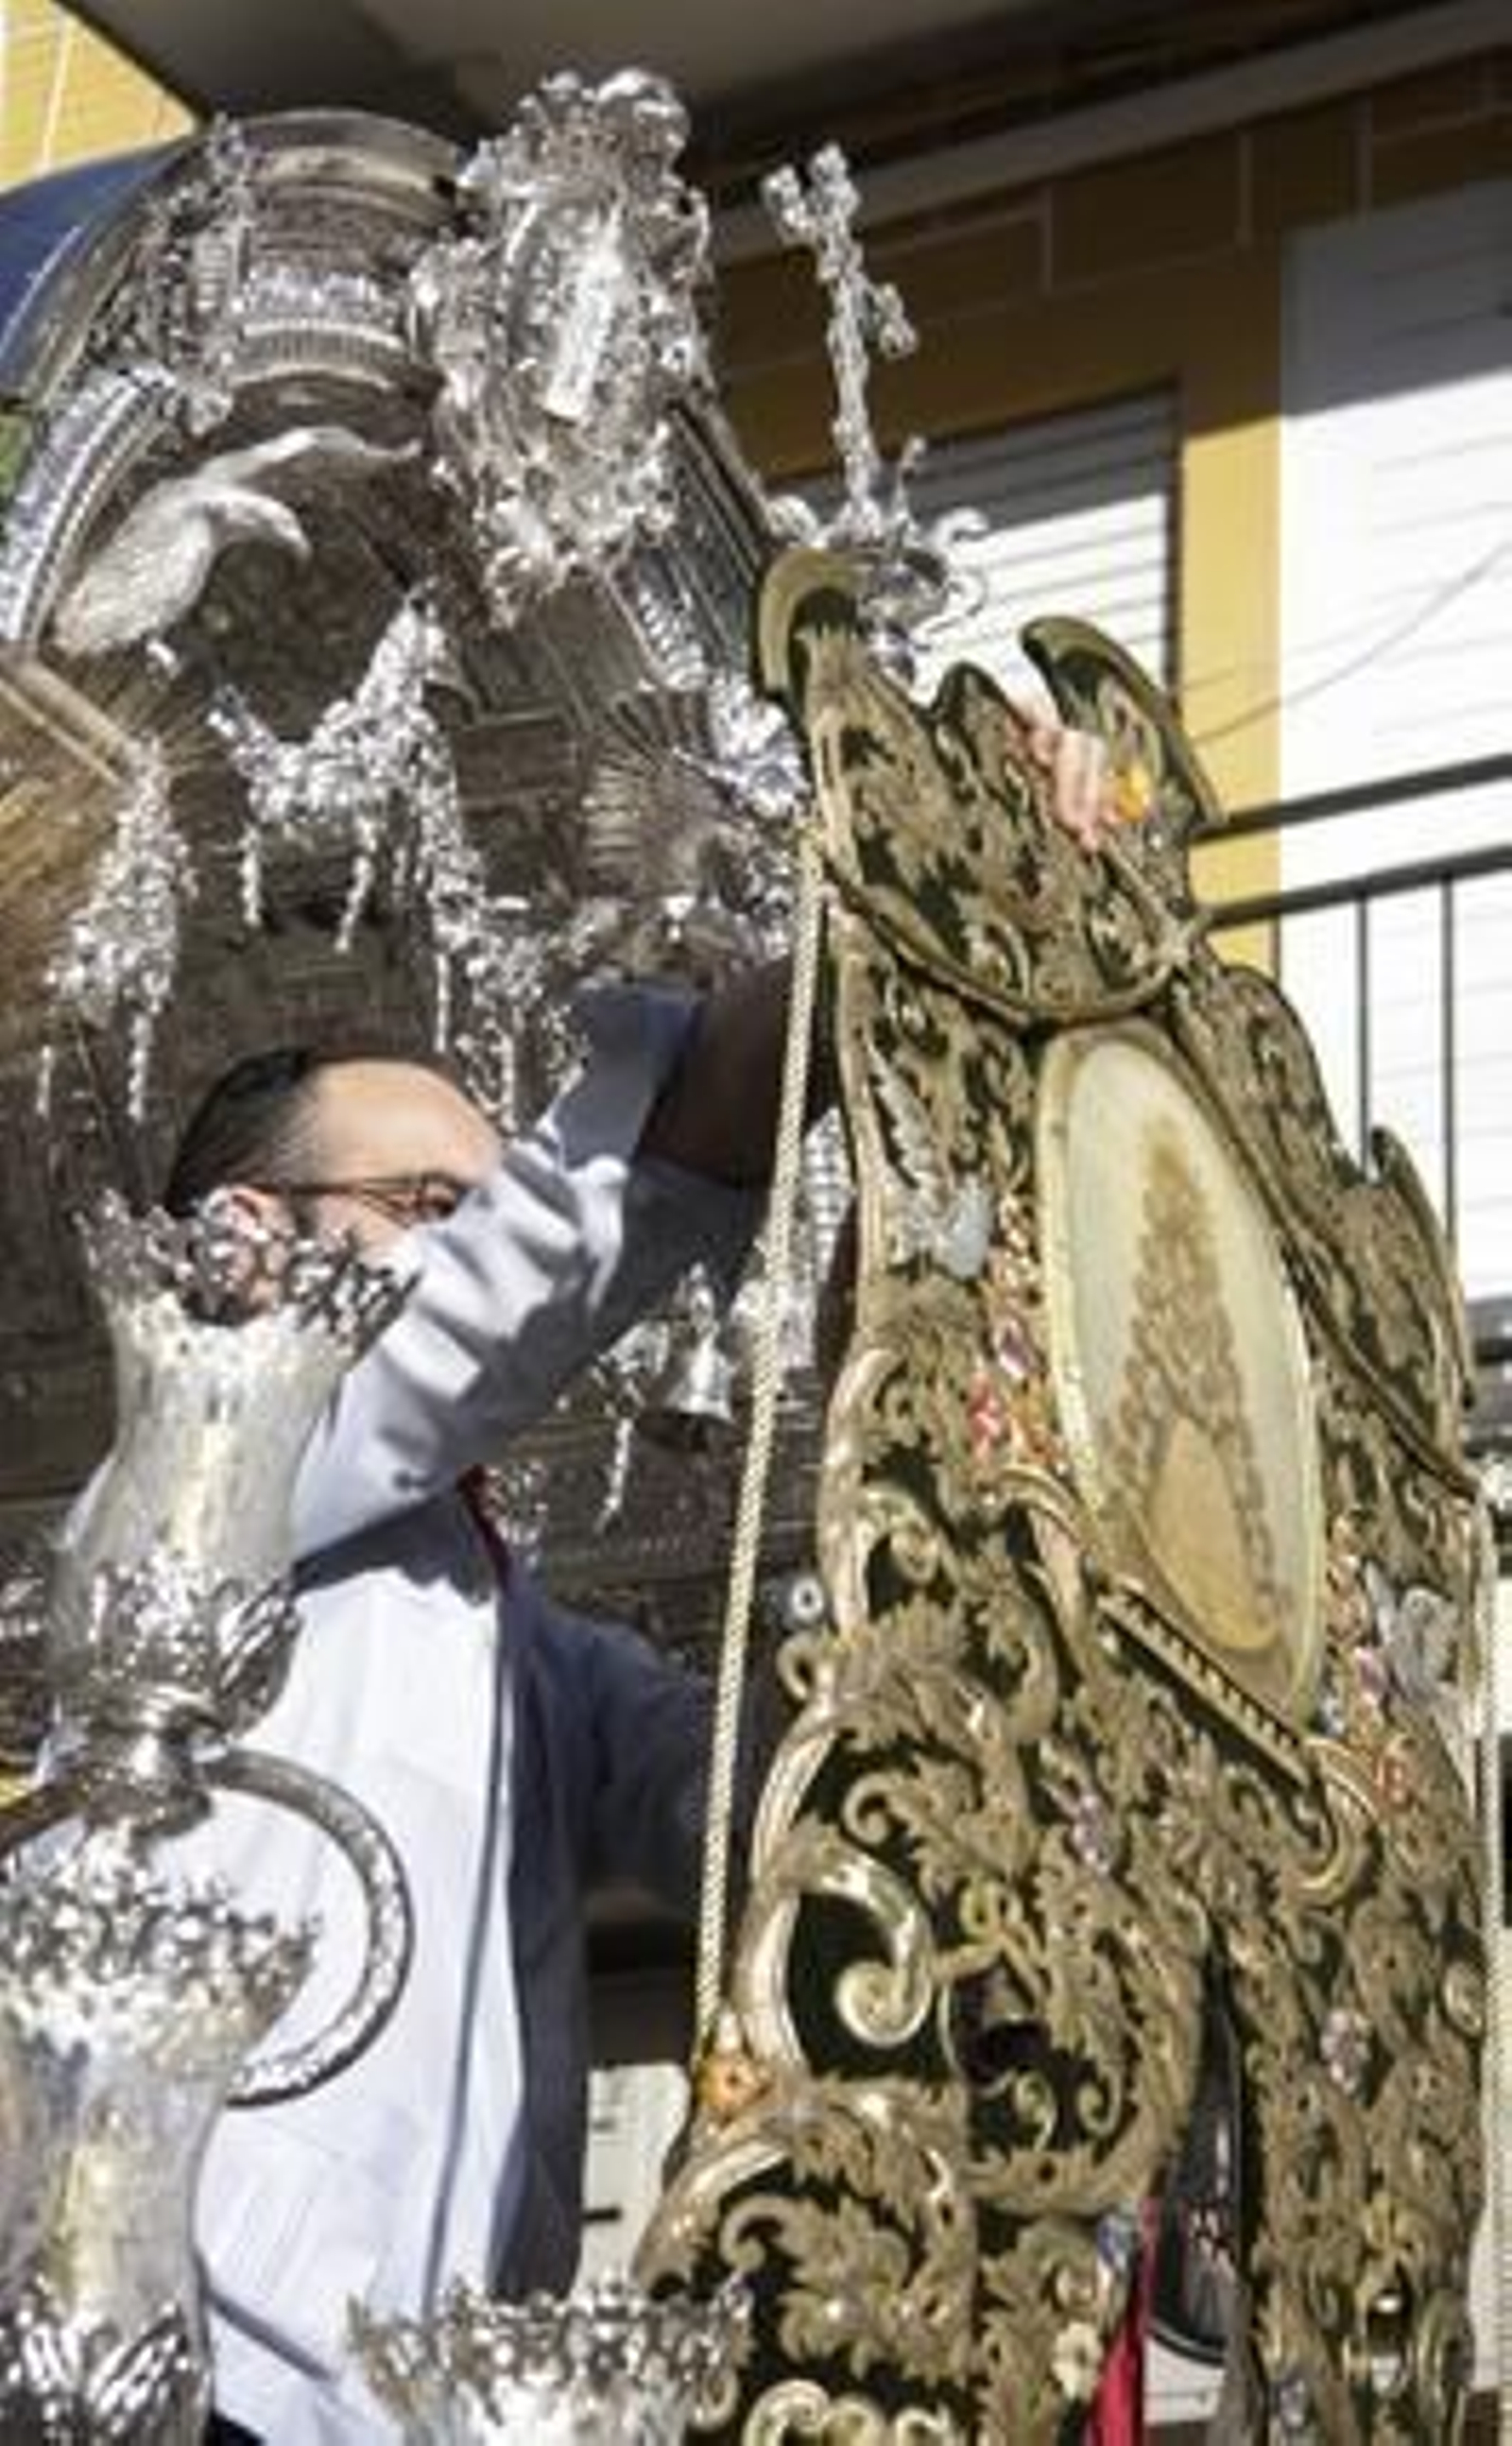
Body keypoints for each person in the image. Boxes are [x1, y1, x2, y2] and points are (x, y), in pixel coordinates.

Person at [151, 721, 1113, 2444]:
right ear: (244, 1238)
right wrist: (875, 913)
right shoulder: (180, 1498)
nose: (471, 1245)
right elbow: (506, 1294)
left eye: (484, 1205)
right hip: (186, 2380)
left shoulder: (526, 1651)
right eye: (430, 1201)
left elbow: (782, 1808)